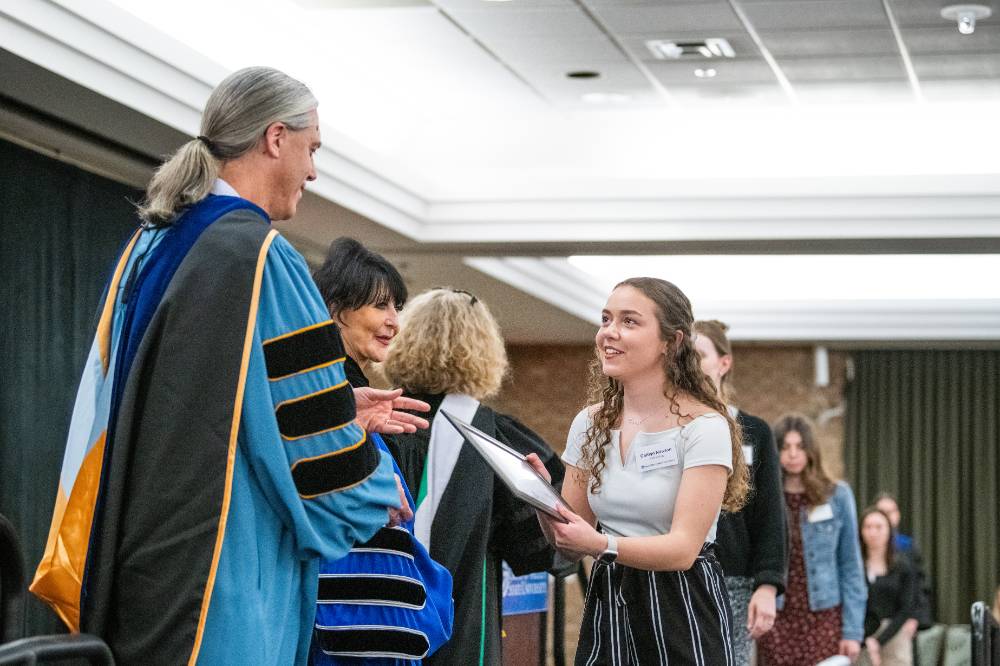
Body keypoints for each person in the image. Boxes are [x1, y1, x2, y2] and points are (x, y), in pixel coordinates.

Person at [30, 67, 429, 665]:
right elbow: (316, 453)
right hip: (224, 564)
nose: (313, 171)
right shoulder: (261, 257)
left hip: (145, 557)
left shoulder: (151, 243)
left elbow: (204, 399)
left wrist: (341, 406)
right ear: (275, 138)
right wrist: (373, 490)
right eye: (311, 148)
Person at [528, 277, 750, 664]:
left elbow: (683, 549)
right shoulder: (589, 423)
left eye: (629, 321)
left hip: (683, 600)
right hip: (611, 595)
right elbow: (570, 534)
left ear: (672, 341)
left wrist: (598, 545)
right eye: (605, 319)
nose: (608, 333)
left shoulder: (704, 427)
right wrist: (539, 498)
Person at [382, 287, 565, 665]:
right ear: (484, 353)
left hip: (378, 619)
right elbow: (543, 550)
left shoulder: (373, 423)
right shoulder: (496, 439)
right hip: (465, 627)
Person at [309, 237, 453, 663]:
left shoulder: (351, 391)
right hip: (342, 623)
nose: (393, 321)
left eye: (397, 308)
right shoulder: (321, 393)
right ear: (336, 310)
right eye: (379, 306)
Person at [694, 319, 788, 665]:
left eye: (700, 354)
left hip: (732, 580)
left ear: (724, 363)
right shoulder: (667, 427)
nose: (691, 362)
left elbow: (770, 517)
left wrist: (767, 586)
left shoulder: (754, 432)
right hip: (675, 574)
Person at [759, 414, 867, 666]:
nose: (793, 454)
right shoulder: (767, 497)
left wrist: (852, 631)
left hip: (824, 615)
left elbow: (850, 566)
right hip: (778, 615)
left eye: (800, 446)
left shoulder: (837, 495)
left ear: (811, 450)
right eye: (785, 447)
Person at [857, 507, 919, 666]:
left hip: (894, 633)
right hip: (860, 632)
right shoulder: (854, 566)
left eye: (878, 527)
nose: (873, 532)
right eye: (867, 527)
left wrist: (879, 641)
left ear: (889, 530)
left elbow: (907, 607)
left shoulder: (903, 565)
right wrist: (866, 639)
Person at [874, 492, 933, 631]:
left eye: (892, 511)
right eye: (883, 512)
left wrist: (915, 618)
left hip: (903, 619)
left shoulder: (907, 546)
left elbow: (919, 585)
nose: (888, 516)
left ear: (898, 515)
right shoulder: (863, 547)